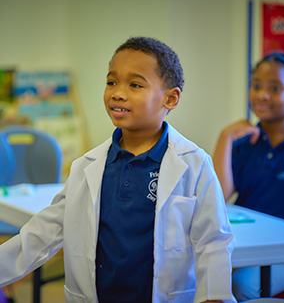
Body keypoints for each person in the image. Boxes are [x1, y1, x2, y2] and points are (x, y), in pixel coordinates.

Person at [0, 37, 236, 303]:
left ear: (171, 98)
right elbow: (43, 233)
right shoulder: (87, 167)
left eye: (135, 84)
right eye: (111, 82)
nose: (118, 93)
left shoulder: (194, 164)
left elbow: (214, 241)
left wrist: (214, 297)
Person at [212, 51, 284, 302]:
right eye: (256, 86)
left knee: (241, 286)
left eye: (275, 88)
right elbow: (219, 197)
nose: (262, 94)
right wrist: (225, 138)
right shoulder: (242, 144)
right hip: (243, 248)